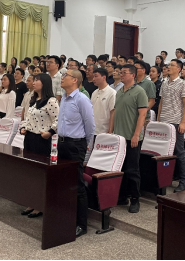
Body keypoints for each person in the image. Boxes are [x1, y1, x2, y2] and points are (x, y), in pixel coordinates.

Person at [57, 70, 95, 238]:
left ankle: (81, 224)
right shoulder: (64, 99)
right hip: (62, 143)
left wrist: (85, 145)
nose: (62, 78)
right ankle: (67, 216)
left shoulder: (82, 99)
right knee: (63, 182)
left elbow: (90, 125)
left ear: (74, 80)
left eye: (65, 75)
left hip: (75, 144)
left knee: (77, 184)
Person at [109, 64, 148, 213]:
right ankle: (123, 196)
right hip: (119, 137)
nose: (121, 75)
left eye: (124, 72)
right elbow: (114, 112)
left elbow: (142, 115)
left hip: (132, 137)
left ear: (133, 75)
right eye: (121, 72)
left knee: (132, 169)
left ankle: (135, 199)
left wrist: (136, 135)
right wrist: (111, 132)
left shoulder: (140, 92)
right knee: (121, 168)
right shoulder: (119, 92)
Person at [20, 73, 59, 218]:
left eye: (37, 81)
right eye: (34, 80)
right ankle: (32, 202)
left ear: (45, 83)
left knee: (40, 173)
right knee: (30, 171)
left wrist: (49, 132)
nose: (34, 83)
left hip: (42, 140)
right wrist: (23, 127)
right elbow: (27, 118)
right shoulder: (33, 99)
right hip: (30, 138)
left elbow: (58, 120)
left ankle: (40, 205)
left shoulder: (51, 101)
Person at [158, 59, 185, 193]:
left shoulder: (183, 84)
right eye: (168, 65)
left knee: (179, 151)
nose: (168, 67)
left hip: (176, 122)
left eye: (172, 65)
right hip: (164, 121)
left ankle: (183, 182)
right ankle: (164, 180)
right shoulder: (164, 83)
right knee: (164, 152)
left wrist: (183, 122)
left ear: (178, 69)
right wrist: (158, 120)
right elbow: (161, 102)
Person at [92, 68, 116, 136]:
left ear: (104, 77)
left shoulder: (112, 93)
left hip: (104, 131)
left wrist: (110, 130)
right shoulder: (94, 92)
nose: (93, 79)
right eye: (93, 76)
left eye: (96, 76)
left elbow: (113, 112)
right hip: (93, 129)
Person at [135, 60, 156, 126]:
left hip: (143, 117)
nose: (134, 70)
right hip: (130, 116)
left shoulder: (149, 84)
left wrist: (142, 111)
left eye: (136, 69)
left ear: (143, 70)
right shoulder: (131, 82)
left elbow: (151, 101)